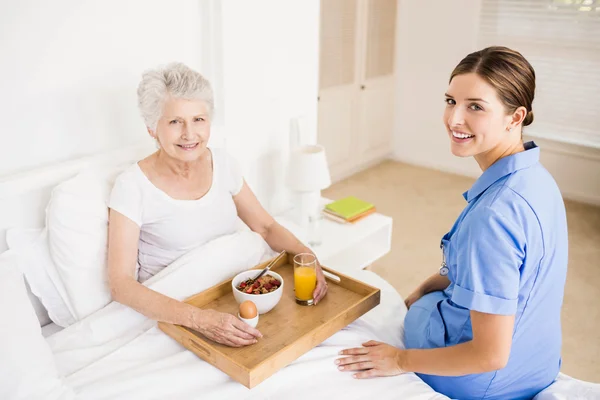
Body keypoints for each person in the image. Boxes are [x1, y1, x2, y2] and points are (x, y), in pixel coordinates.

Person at [335, 46, 568, 400]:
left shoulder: (493, 216)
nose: (454, 119)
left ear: (515, 117)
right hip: (537, 364)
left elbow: (490, 355)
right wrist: (437, 280)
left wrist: (399, 359)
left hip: (480, 382)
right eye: (450, 101)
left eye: (475, 106)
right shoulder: (538, 181)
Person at [107, 62, 327, 348]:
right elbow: (121, 284)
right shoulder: (131, 186)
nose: (189, 134)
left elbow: (266, 226)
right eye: (175, 122)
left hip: (232, 294)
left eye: (199, 119)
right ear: (152, 128)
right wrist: (200, 319)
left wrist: (309, 257)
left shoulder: (223, 162)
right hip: (177, 311)